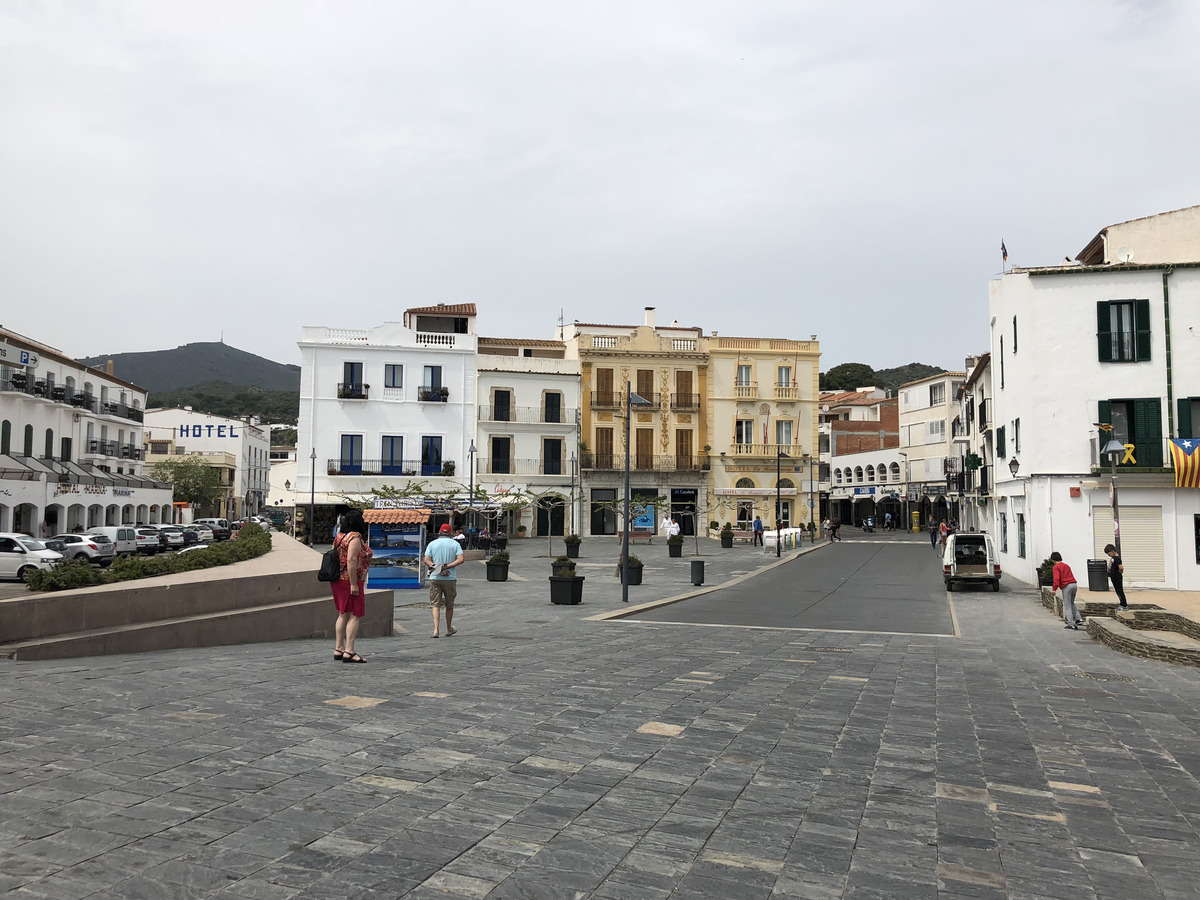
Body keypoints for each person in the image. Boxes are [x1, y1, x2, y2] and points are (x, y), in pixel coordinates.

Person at [331, 509, 372, 663]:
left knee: (343, 614)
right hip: (351, 580)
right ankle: (350, 650)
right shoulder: (355, 537)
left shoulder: (339, 537)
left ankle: (339, 648)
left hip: (338, 579)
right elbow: (351, 560)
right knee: (355, 614)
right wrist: (354, 584)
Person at [424, 523, 465, 638]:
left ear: (440, 532)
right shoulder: (455, 544)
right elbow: (461, 559)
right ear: (451, 533)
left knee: (435, 604)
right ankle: (448, 628)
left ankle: (436, 630)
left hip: (435, 577)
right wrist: (448, 566)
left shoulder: (432, 544)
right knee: (449, 605)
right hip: (450, 578)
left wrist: (436, 566)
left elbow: (426, 559)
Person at [1051, 551, 1082, 629]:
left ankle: (1070, 623)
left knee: (1067, 605)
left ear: (1053, 560)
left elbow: (1057, 578)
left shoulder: (1056, 567)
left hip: (1066, 586)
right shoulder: (1066, 566)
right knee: (1072, 602)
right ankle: (1078, 618)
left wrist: (1054, 589)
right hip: (1074, 584)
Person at [1104, 544, 1127, 608]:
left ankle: (1124, 604)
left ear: (1112, 551)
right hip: (1113, 577)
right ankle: (1121, 603)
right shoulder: (1114, 558)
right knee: (1117, 590)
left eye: (1109, 554)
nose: (1109, 555)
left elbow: (1121, 567)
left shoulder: (1117, 558)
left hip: (1117, 577)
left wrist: (1119, 572)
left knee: (1119, 590)